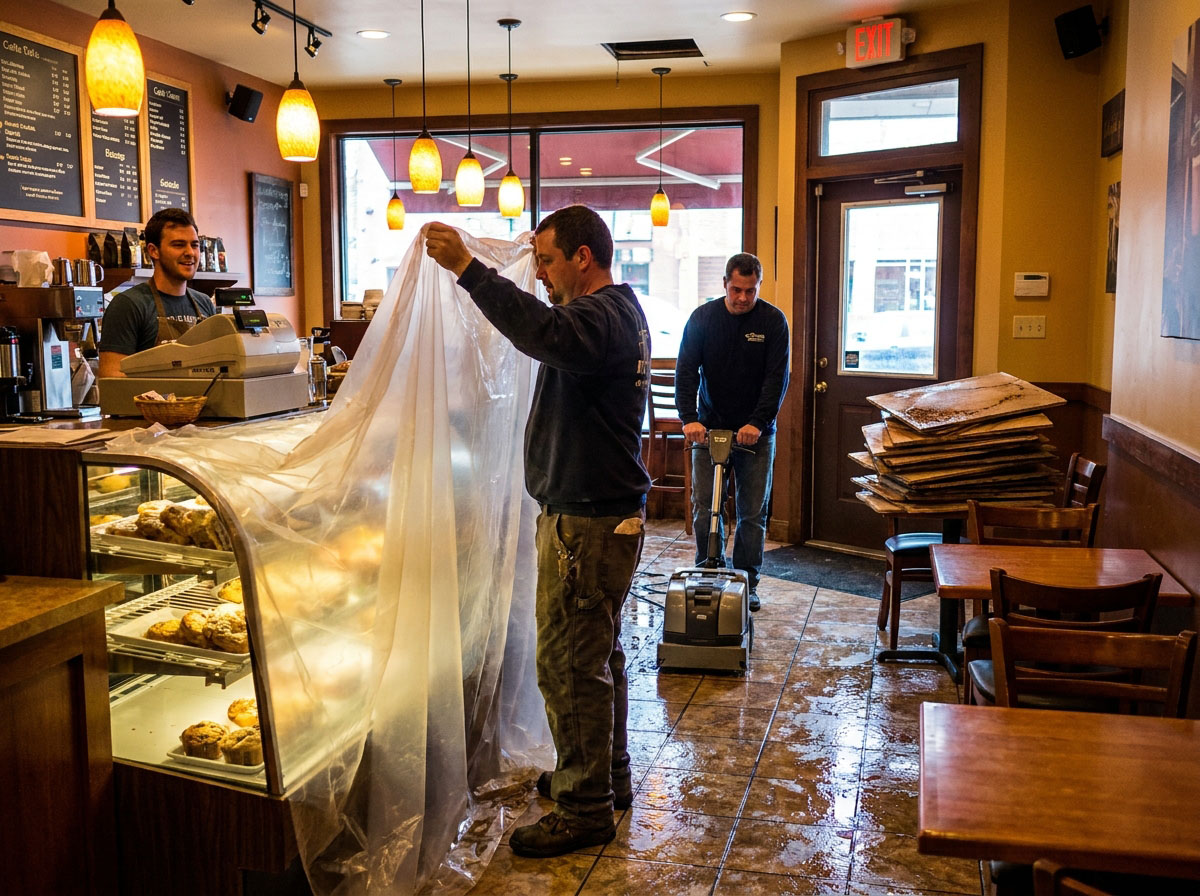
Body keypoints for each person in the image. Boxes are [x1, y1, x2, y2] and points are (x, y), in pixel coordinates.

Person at [425, 207, 650, 859]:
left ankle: (585, 809)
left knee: (570, 661)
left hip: (586, 518)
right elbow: (552, 328)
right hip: (602, 510)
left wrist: (470, 270)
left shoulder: (596, 317)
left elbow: (545, 333)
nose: (542, 275)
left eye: (547, 262)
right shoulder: (621, 312)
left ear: (583, 258)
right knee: (598, 654)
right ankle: (606, 778)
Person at [675, 252, 789, 612]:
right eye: (737, 289)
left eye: (750, 291)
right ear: (724, 283)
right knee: (704, 507)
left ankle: (746, 581)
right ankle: (708, 570)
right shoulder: (703, 318)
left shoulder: (773, 322)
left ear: (759, 286)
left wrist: (757, 422)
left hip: (757, 432)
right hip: (708, 430)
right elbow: (686, 371)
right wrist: (689, 418)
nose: (743, 298)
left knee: (752, 511)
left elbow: (776, 379)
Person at [98, 208, 215, 377]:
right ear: (153, 251)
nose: (190, 253)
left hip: (201, 403)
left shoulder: (204, 304)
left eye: (194, 245)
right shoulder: (128, 305)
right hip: (150, 404)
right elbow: (112, 377)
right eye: (179, 245)